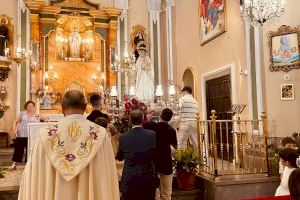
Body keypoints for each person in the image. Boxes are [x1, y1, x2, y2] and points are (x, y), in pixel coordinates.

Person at [18, 90, 120, 200]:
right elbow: (108, 173)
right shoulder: (100, 134)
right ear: (85, 107)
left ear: (62, 108)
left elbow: (34, 174)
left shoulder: (45, 134)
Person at [116, 110, 158, 200]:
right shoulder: (152, 134)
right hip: (147, 178)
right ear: (143, 120)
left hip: (130, 178)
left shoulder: (123, 137)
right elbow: (156, 154)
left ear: (130, 121)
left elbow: (119, 157)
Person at [144, 108, 177, 200]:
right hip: (166, 161)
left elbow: (142, 125)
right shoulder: (171, 130)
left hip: (154, 161)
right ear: (170, 119)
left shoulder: (152, 126)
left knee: (155, 193)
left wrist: (149, 117)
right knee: (167, 193)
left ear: (161, 115)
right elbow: (175, 146)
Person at [10, 100, 47, 170]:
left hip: (31, 134)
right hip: (21, 134)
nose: (30, 107)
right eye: (29, 106)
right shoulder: (22, 113)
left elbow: (45, 118)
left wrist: (45, 119)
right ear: (26, 107)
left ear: (34, 107)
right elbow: (15, 121)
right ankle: (14, 164)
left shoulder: (36, 114)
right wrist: (14, 129)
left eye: (32, 106)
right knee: (18, 149)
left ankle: (28, 165)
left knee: (30, 149)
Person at [178, 86, 198, 153]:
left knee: (181, 143)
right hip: (194, 123)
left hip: (185, 123)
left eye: (182, 91)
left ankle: (182, 161)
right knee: (195, 143)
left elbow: (178, 109)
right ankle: (197, 160)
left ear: (185, 91)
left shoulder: (182, 99)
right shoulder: (195, 101)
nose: (182, 93)